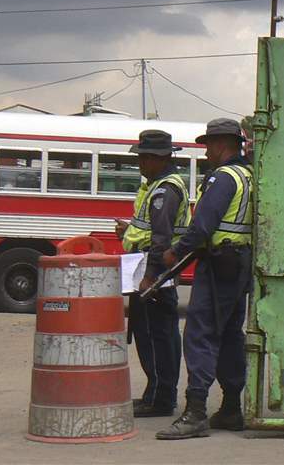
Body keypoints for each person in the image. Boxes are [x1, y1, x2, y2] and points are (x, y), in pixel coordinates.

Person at [156, 118, 253, 440]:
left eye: (208, 145)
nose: (206, 152)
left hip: (218, 266)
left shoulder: (224, 177)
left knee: (200, 334)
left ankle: (196, 411)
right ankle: (231, 408)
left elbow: (202, 226)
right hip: (239, 265)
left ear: (221, 144)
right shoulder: (249, 175)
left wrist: (175, 252)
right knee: (229, 336)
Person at [114, 130, 191, 418]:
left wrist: (151, 278)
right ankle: (154, 393)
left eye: (144, 158)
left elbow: (160, 238)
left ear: (159, 158)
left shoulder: (164, 190)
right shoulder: (157, 186)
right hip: (150, 271)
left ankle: (161, 399)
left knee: (157, 337)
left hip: (154, 274)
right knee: (151, 335)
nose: (140, 164)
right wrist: (128, 232)